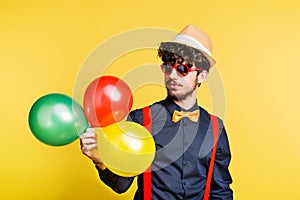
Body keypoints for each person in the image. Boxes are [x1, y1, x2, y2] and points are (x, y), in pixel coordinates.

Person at [80, 25, 233, 200]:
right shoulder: (141, 119)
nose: (173, 76)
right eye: (168, 68)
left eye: (182, 69)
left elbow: (221, 191)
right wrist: (100, 160)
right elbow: (122, 184)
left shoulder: (215, 127)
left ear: (202, 76)